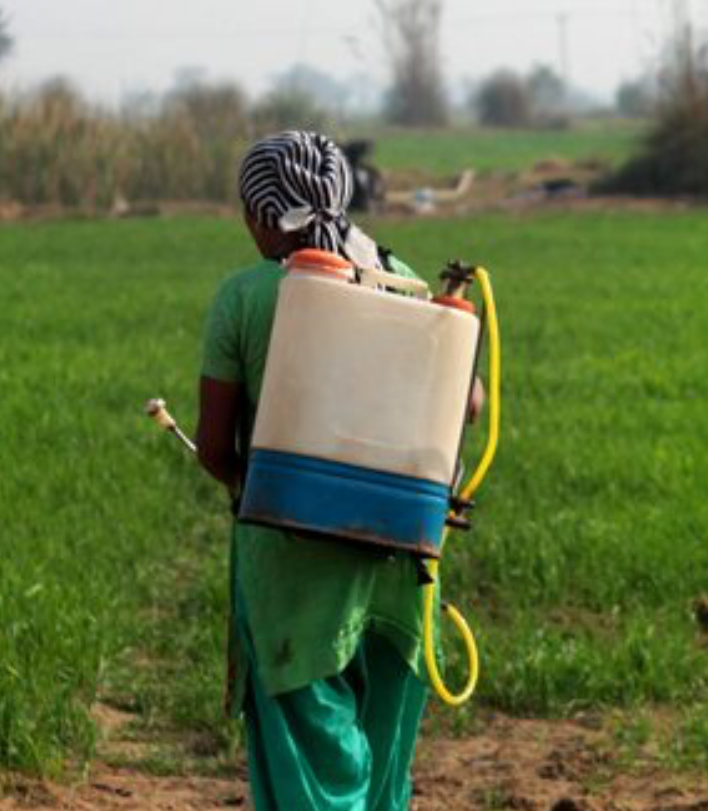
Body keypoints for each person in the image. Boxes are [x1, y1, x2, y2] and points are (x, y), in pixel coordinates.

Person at [196, 130, 445, 811]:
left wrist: (258, 480)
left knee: (311, 762)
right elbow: (460, 402)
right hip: (401, 566)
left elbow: (216, 447)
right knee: (383, 760)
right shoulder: (408, 283)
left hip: (289, 567)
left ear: (259, 213)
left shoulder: (243, 298)